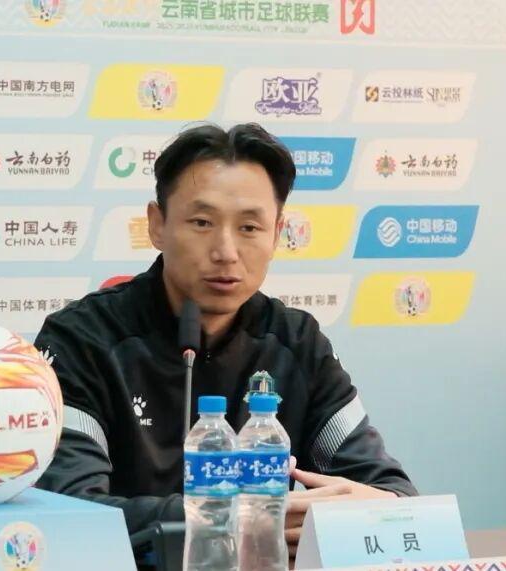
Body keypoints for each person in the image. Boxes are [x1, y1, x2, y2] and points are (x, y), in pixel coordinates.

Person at [34, 123, 416, 560]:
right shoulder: (82, 339)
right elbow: (69, 512)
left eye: (250, 227)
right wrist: (236, 522)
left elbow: (393, 495)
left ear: (277, 234)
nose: (226, 252)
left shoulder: (297, 342)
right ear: (157, 225)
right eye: (202, 222)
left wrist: (372, 510)